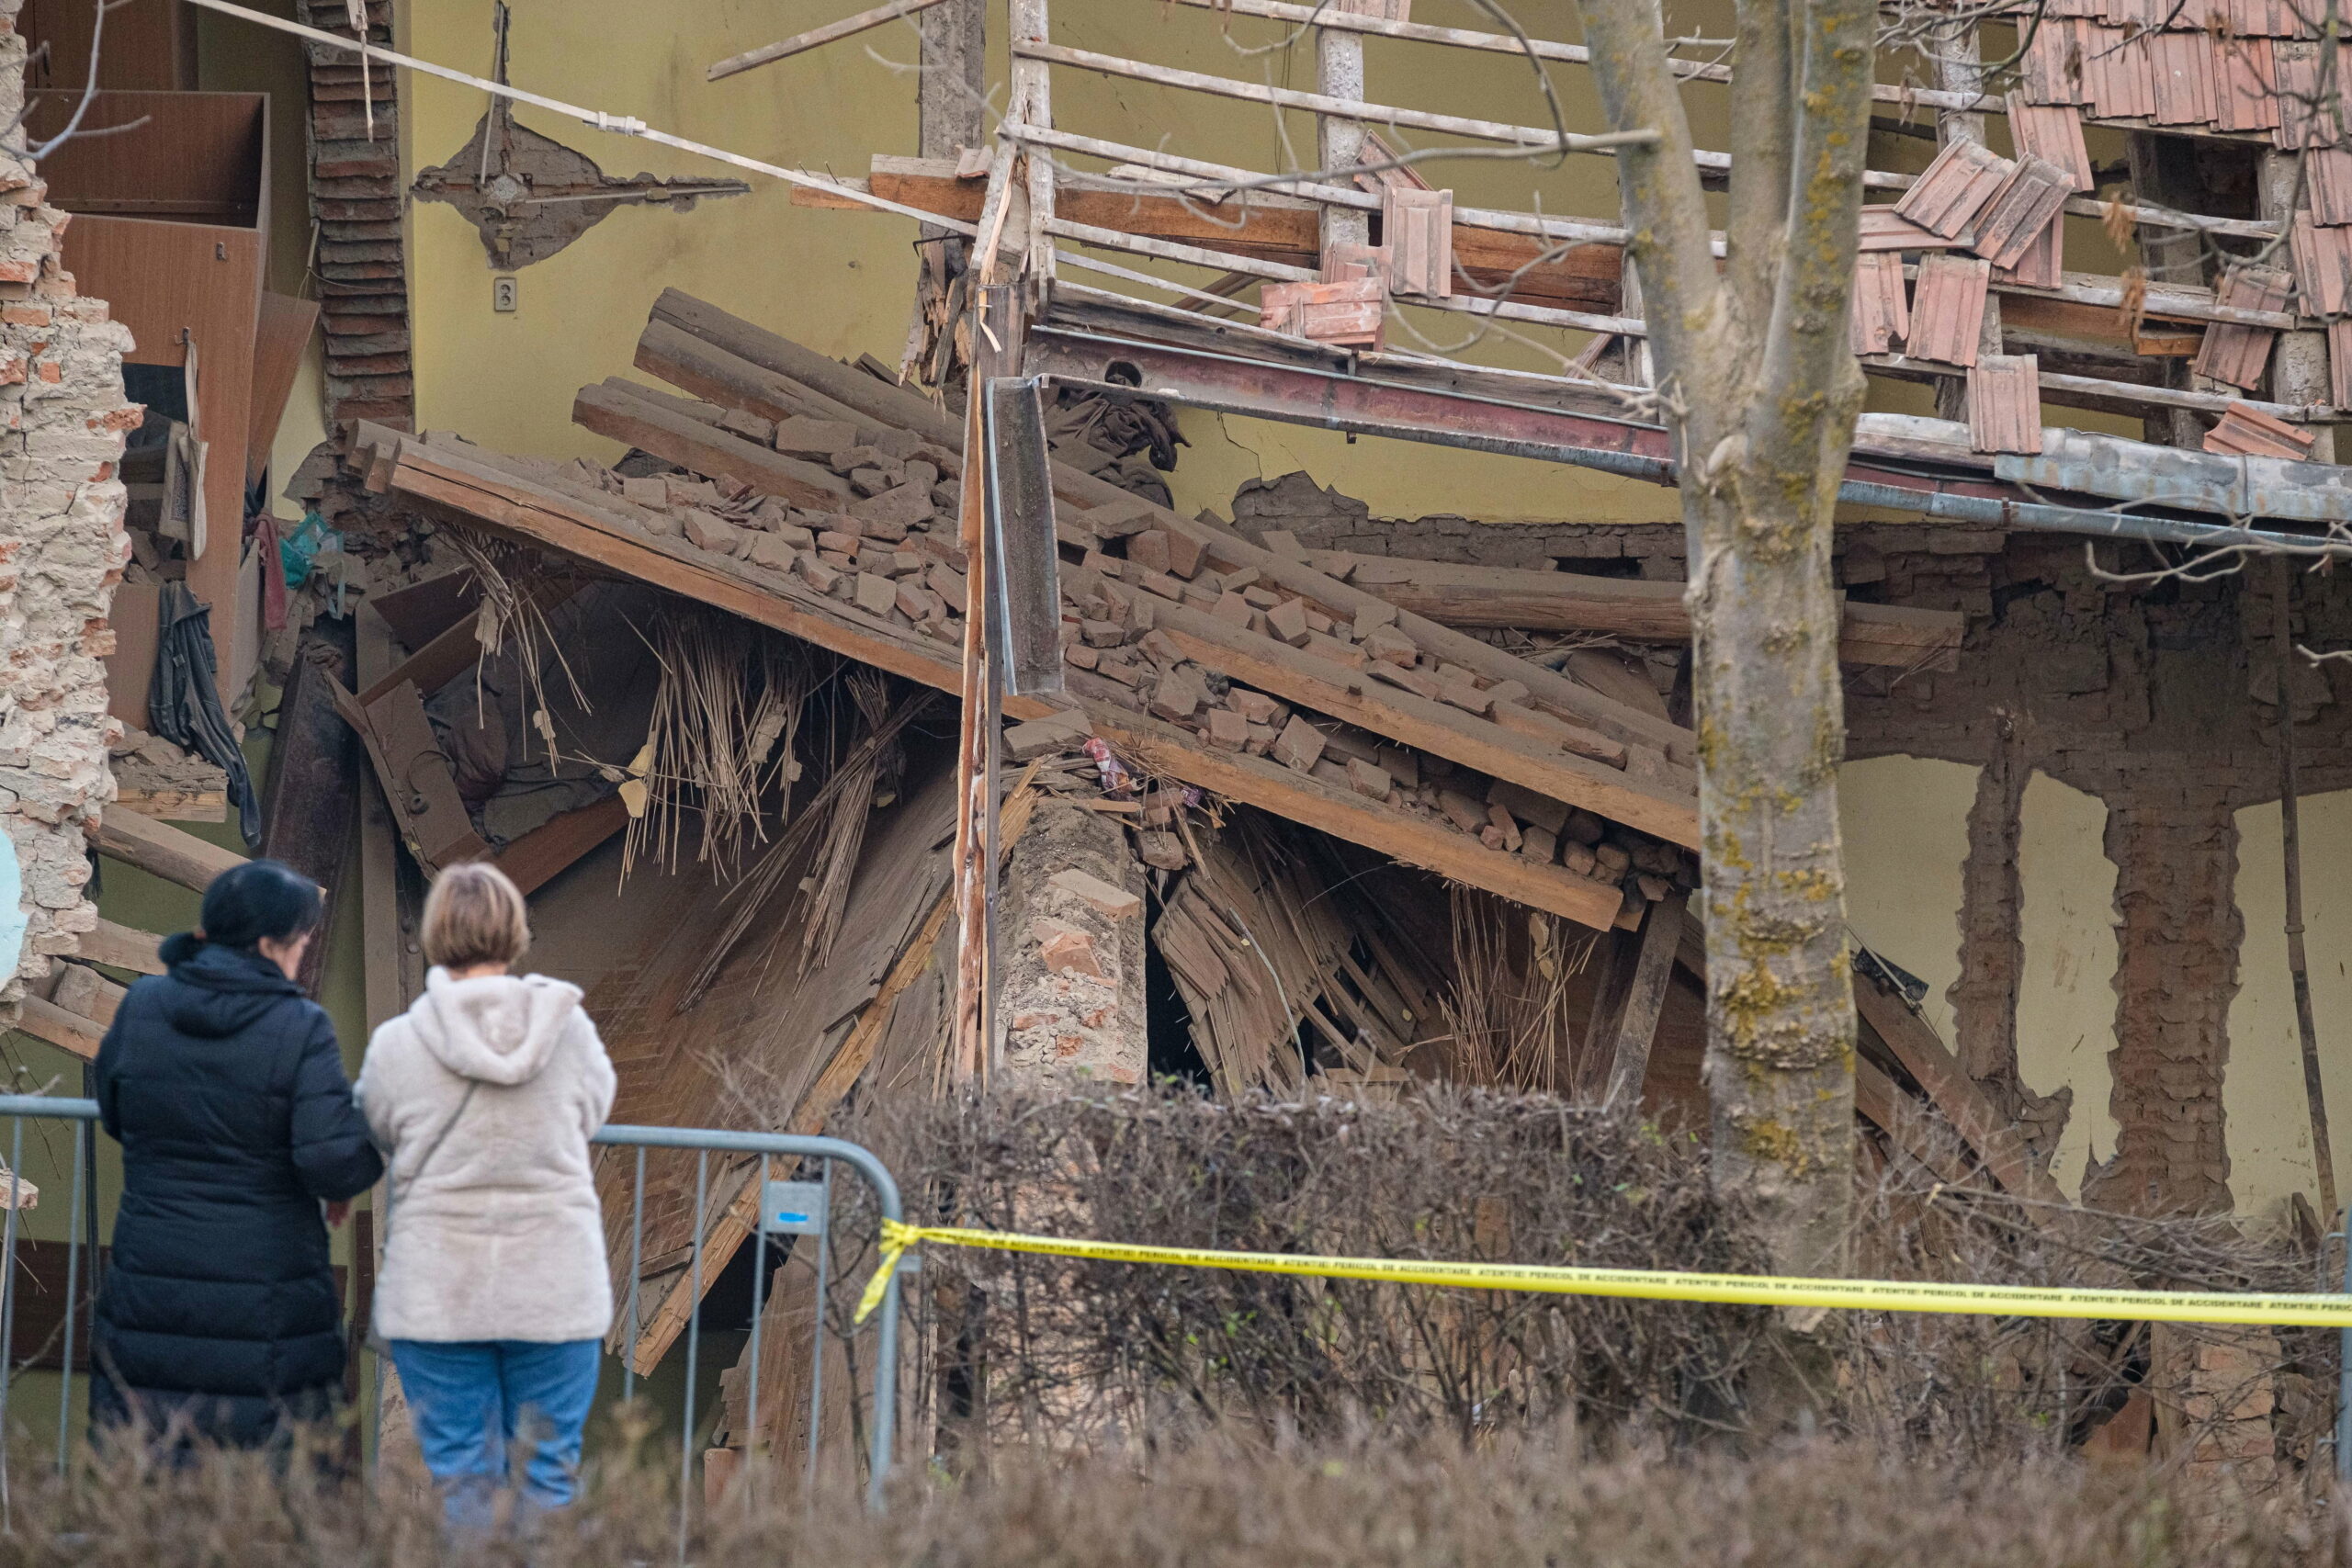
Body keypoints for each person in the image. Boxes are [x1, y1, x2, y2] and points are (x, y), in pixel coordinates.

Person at [91, 858, 383, 1448]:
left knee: (150, 1464)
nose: (303, 951)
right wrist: (364, 1144)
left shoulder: (144, 1005)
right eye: (301, 939)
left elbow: (116, 1110)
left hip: (151, 1277)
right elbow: (329, 1160)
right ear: (271, 945)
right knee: (258, 1484)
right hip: (266, 1291)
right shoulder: (300, 1027)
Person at [357, 861, 616, 1529]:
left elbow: (376, 1126)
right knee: (548, 1479)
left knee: (465, 1482)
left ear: (436, 934)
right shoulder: (570, 1031)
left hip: (441, 1293)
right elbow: (592, 1111)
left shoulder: (398, 1044)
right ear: (515, 932)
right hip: (554, 1286)